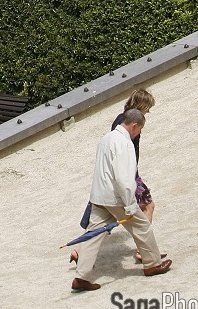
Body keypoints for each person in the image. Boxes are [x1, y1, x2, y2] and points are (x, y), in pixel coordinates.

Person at [71, 108, 171, 292]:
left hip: (99, 196)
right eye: (140, 129)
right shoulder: (124, 144)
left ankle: (81, 276)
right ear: (134, 126)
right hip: (115, 198)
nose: (139, 133)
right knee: (142, 227)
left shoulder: (105, 139)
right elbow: (124, 178)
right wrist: (130, 204)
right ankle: (152, 264)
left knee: (92, 236)